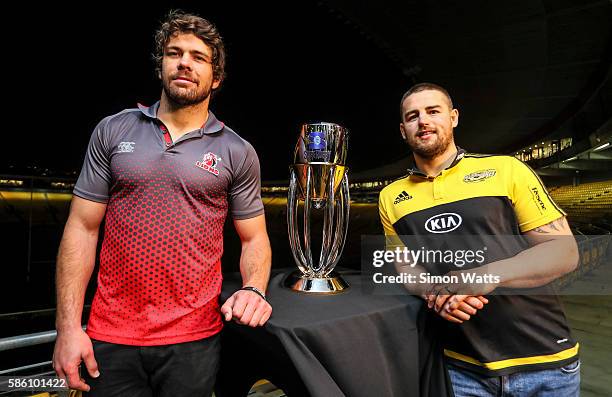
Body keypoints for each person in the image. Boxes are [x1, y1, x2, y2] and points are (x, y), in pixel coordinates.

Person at [52, 10, 272, 397]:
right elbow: (82, 228)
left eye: (198, 57)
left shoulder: (237, 151)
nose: (185, 62)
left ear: (216, 77)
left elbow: (254, 239)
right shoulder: (113, 129)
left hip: (195, 338)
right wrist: (68, 329)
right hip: (110, 335)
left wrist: (254, 289)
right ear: (161, 67)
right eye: (175, 53)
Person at [378, 82, 581, 396]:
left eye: (433, 111)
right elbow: (406, 270)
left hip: (544, 361)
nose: (424, 121)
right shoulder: (391, 196)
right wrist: (437, 293)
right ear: (403, 130)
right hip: (461, 367)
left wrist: (485, 276)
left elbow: (564, 251)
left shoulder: (505, 170)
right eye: (413, 116)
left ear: (454, 117)